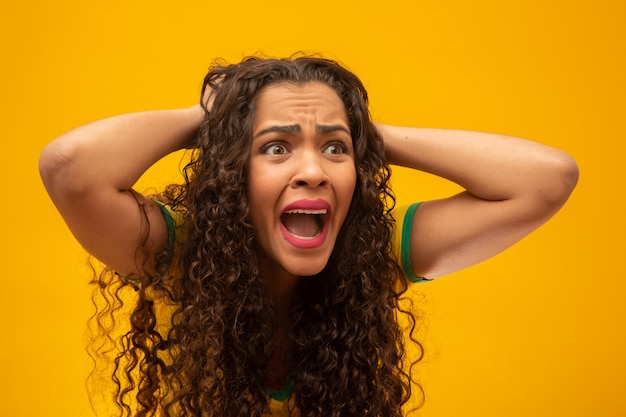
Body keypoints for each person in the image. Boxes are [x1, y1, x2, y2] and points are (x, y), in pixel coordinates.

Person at [39, 55, 578, 417]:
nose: (314, 171)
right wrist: (211, 115)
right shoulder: (174, 252)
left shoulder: (372, 258)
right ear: (232, 172)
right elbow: (69, 168)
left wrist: (358, 130)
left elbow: (545, 179)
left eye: (336, 151)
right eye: (275, 148)